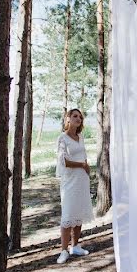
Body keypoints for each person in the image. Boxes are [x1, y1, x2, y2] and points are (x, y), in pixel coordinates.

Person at [55, 108, 95, 263]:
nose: (78, 119)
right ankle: (64, 250)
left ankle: (76, 246)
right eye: (75, 116)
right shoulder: (62, 138)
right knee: (68, 215)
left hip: (82, 180)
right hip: (69, 181)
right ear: (68, 118)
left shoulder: (81, 137)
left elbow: (83, 156)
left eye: (80, 117)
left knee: (79, 214)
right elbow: (63, 161)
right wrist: (81, 165)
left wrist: (86, 167)